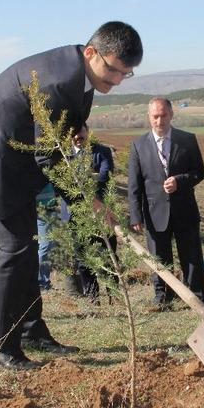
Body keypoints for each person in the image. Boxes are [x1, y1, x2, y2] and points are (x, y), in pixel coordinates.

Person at [0, 21, 142, 370]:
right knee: (15, 246)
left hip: (13, 160)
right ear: (91, 53)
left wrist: (76, 129)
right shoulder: (56, 81)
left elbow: (65, 124)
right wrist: (88, 204)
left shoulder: (83, 74)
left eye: (125, 75)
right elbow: (48, 156)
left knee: (29, 243)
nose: (115, 81)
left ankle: (32, 330)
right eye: (113, 71)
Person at [127, 97, 204, 307]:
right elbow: (134, 185)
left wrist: (180, 181)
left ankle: (197, 297)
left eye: (163, 115)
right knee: (159, 258)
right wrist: (135, 215)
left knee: (191, 256)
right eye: (155, 116)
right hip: (154, 212)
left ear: (171, 115)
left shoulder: (187, 140)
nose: (159, 121)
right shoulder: (138, 145)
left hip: (184, 210)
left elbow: (200, 172)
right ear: (149, 117)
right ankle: (163, 297)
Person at [67, 122, 116, 299]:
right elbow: (63, 184)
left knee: (109, 255)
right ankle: (92, 297)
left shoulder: (102, 151)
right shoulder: (64, 155)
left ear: (87, 132)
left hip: (103, 212)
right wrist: (91, 175)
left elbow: (105, 175)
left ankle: (115, 295)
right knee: (83, 259)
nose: (77, 136)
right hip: (76, 215)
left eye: (80, 131)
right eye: (73, 133)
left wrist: (80, 182)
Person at [36, 182, 58, 291]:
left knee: (50, 247)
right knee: (45, 246)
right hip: (41, 212)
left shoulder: (47, 169)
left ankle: (44, 281)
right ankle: (41, 282)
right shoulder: (33, 169)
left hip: (51, 211)